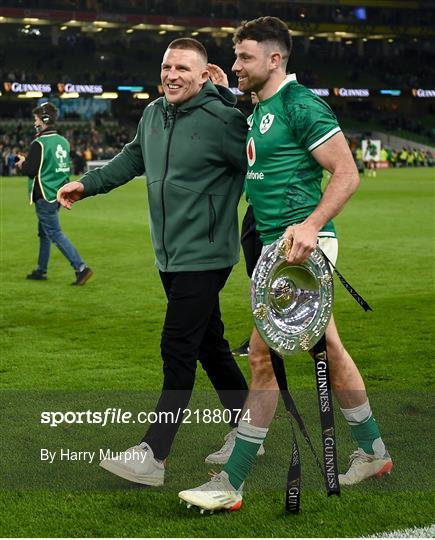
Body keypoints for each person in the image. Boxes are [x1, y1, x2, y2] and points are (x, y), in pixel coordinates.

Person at [179, 17, 392, 512]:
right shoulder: (259, 106)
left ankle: (231, 484)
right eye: (235, 57)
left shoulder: (301, 104)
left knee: (260, 356)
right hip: (276, 246)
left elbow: (347, 172)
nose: (235, 65)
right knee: (330, 348)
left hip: (301, 250)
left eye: (245, 58)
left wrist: (313, 225)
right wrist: (226, 91)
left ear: (275, 59)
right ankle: (373, 450)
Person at [57, 38, 250, 486]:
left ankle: (154, 454)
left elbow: (263, 164)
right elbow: (131, 158)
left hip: (206, 254)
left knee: (177, 347)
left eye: (183, 67)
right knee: (210, 345)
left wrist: (229, 98)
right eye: (167, 66)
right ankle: (245, 426)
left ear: (205, 75)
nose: (172, 75)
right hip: (169, 254)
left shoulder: (224, 121)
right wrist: (87, 185)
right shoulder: (153, 114)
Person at [17, 102, 92, 285]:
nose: (34, 122)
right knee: (44, 233)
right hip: (57, 193)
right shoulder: (63, 141)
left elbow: (30, 170)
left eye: (36, 118)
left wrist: (21, 165)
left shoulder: (39, 143)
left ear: (44, 120)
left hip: (44, 194)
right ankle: (41, 270)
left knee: (55, 233)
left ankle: (81, 268)